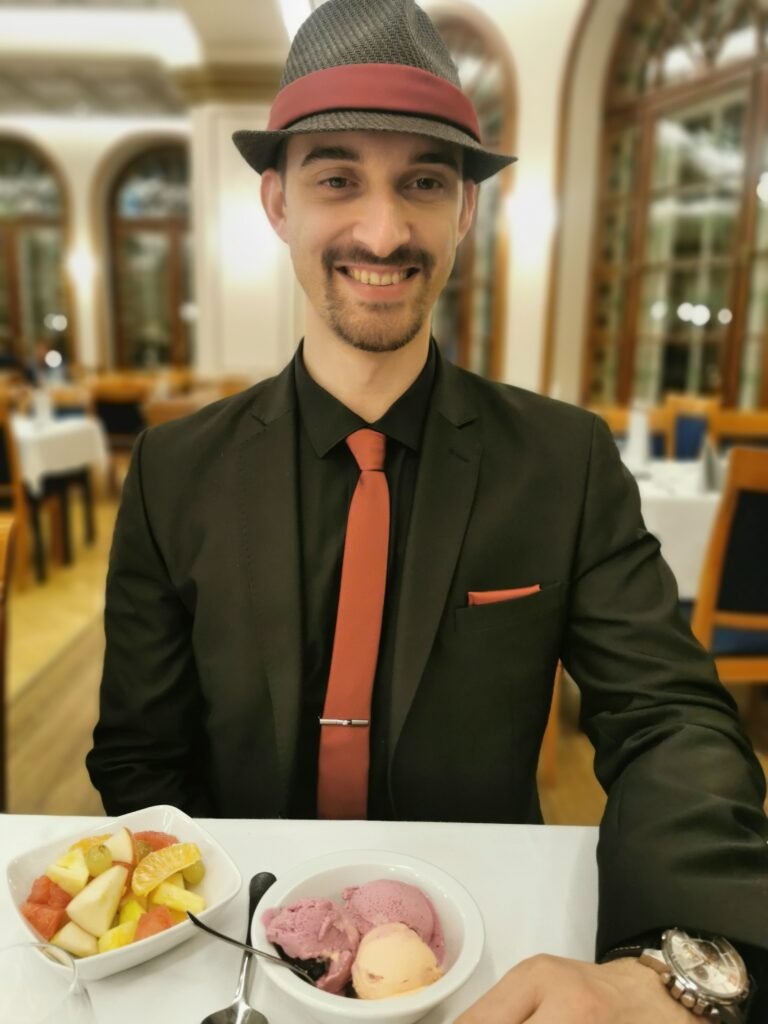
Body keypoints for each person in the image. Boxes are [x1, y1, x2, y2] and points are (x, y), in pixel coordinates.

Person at [87, 1, 768, 1020]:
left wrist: (684, 960)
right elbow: (140, 750)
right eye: (337, 179)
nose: (382, 228)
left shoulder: (564, 460)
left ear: (465, 211)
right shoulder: (177, 469)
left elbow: (670, 716)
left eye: (422, 181)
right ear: (276, 203)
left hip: (489, 947)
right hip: (243, 942)